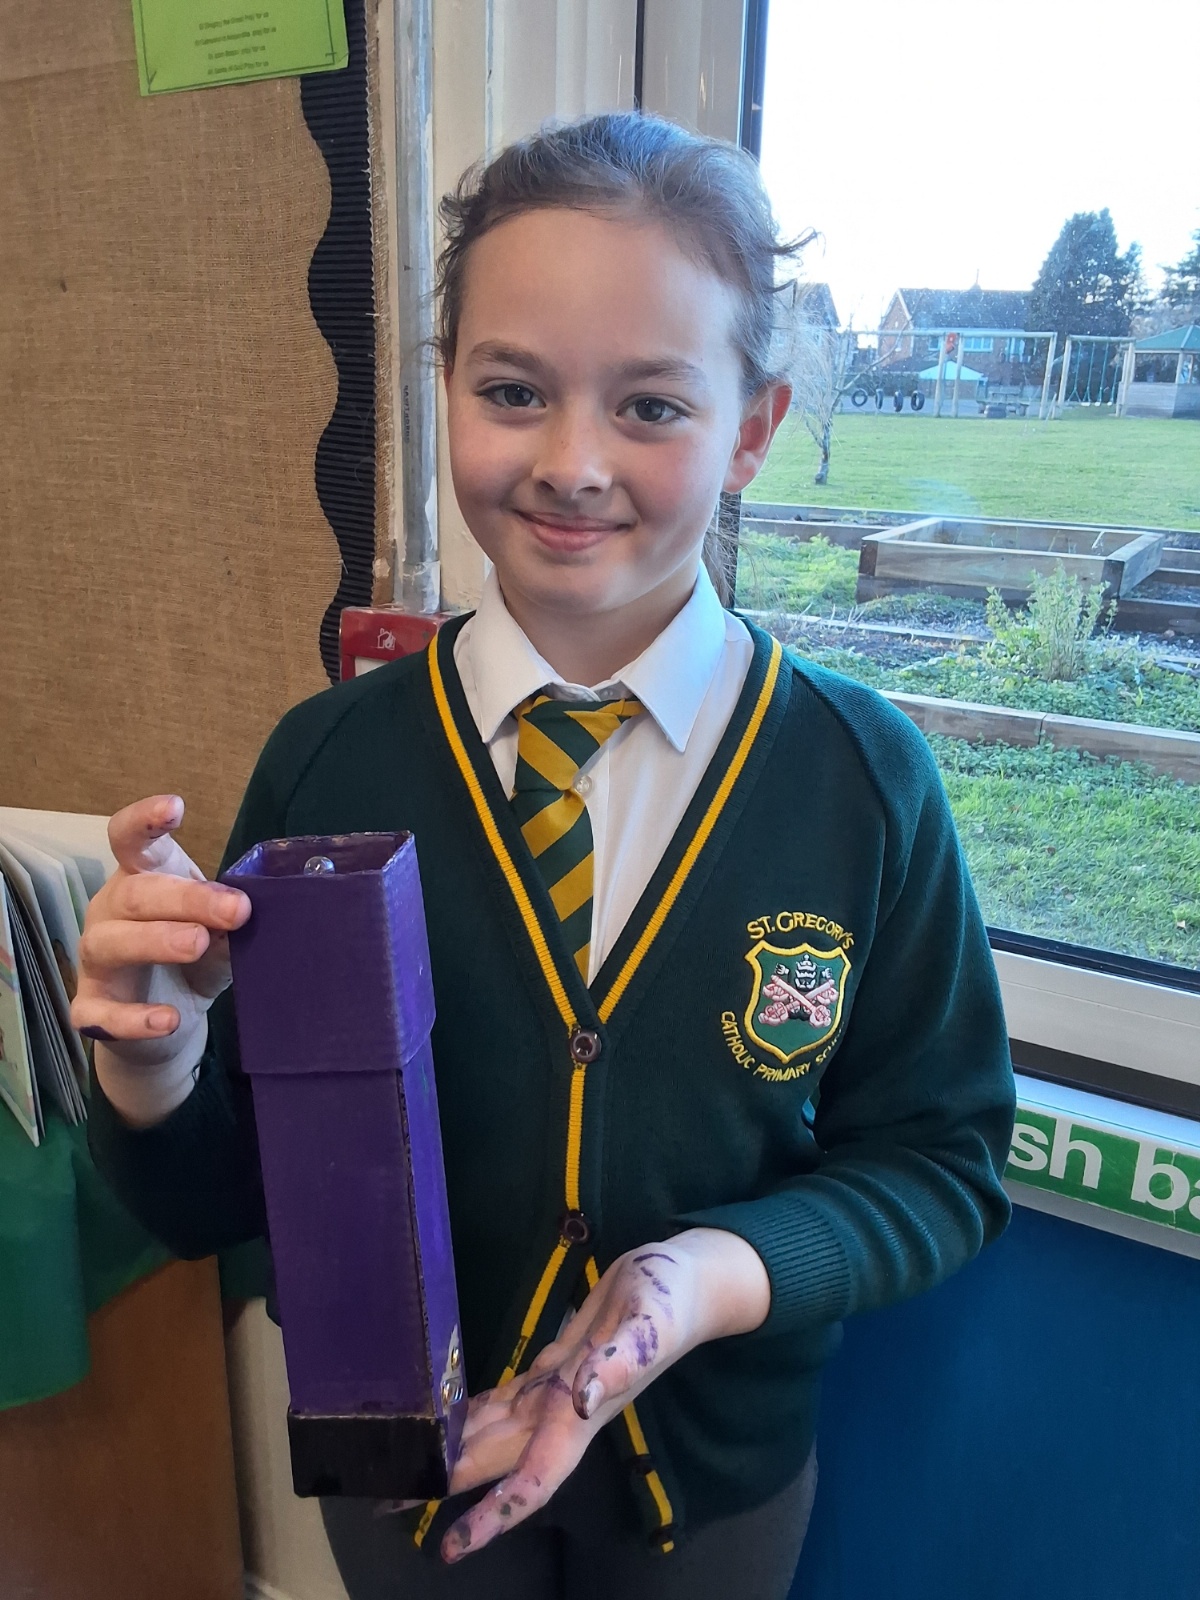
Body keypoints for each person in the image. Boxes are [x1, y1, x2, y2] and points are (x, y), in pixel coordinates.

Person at [75, 113, 1015, 1600]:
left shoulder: (860, 779)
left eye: (651, 406)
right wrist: (157, 1070)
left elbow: (943, 1159)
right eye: (513, 392)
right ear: (445, 388)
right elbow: (216, 1199)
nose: (573, 465)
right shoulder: (327, 765)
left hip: (709, 1479)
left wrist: (696, 1281)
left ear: (753, 427)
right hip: (406, 1476)